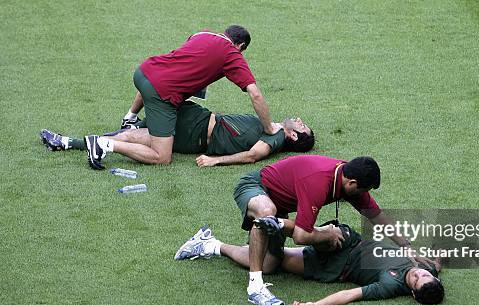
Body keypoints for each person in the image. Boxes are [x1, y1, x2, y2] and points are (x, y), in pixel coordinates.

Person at [230, 155, 433, 305]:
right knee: (266, 214)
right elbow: (301, 236)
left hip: (279, 205)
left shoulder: (348, 178)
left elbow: (376, 216)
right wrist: (326, 234)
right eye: (363, 191)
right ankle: (255, 288)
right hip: (256, 187)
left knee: (269, 264)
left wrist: (406, 246)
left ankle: (210, 244)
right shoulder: (318, 182)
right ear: (352, 183)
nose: (364, 196)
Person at [83, 25, 280, 170]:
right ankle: (103, 144)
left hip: (144, 72)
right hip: (161, 93)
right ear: (241, 46)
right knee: (162, 156)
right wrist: (269, 127)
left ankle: (130, 117)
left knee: (156, 84)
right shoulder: (232, 54)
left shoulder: (202, 33)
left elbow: (191, 59)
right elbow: (255, 94)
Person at [174, 222, 444, 305]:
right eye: (422, 275)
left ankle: (211, 245)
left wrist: (317, 304)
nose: (417, 273)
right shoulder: (429, 272)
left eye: (416, 280)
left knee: (271, 263)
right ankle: (279, 224)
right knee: (334, 233)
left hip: (334, 266)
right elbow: (437, 262)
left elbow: (351, 295)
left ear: (411, 292)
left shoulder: (389, 285)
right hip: (352, 242)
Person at [40, 100, 315, 167]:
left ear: (293, 137)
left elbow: (254, 156)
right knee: (159, 90)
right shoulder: (273, 127)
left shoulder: (276, 136)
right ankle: (77, 142)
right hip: (195, 120)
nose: (299, 120)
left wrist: (215, 160)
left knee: (132, 135)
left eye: (302, 126)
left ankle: (71, 143)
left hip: (195, 130)